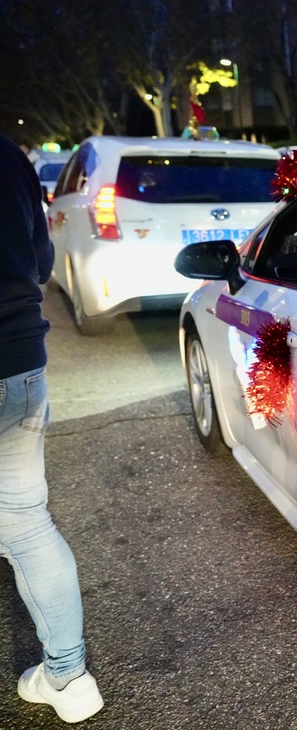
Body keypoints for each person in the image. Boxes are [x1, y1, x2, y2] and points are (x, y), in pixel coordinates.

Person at [0, 134, 104, 723]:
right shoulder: (10, 156)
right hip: (19, 361)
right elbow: (40, 262)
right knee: (27, 524)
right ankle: (68, 674)